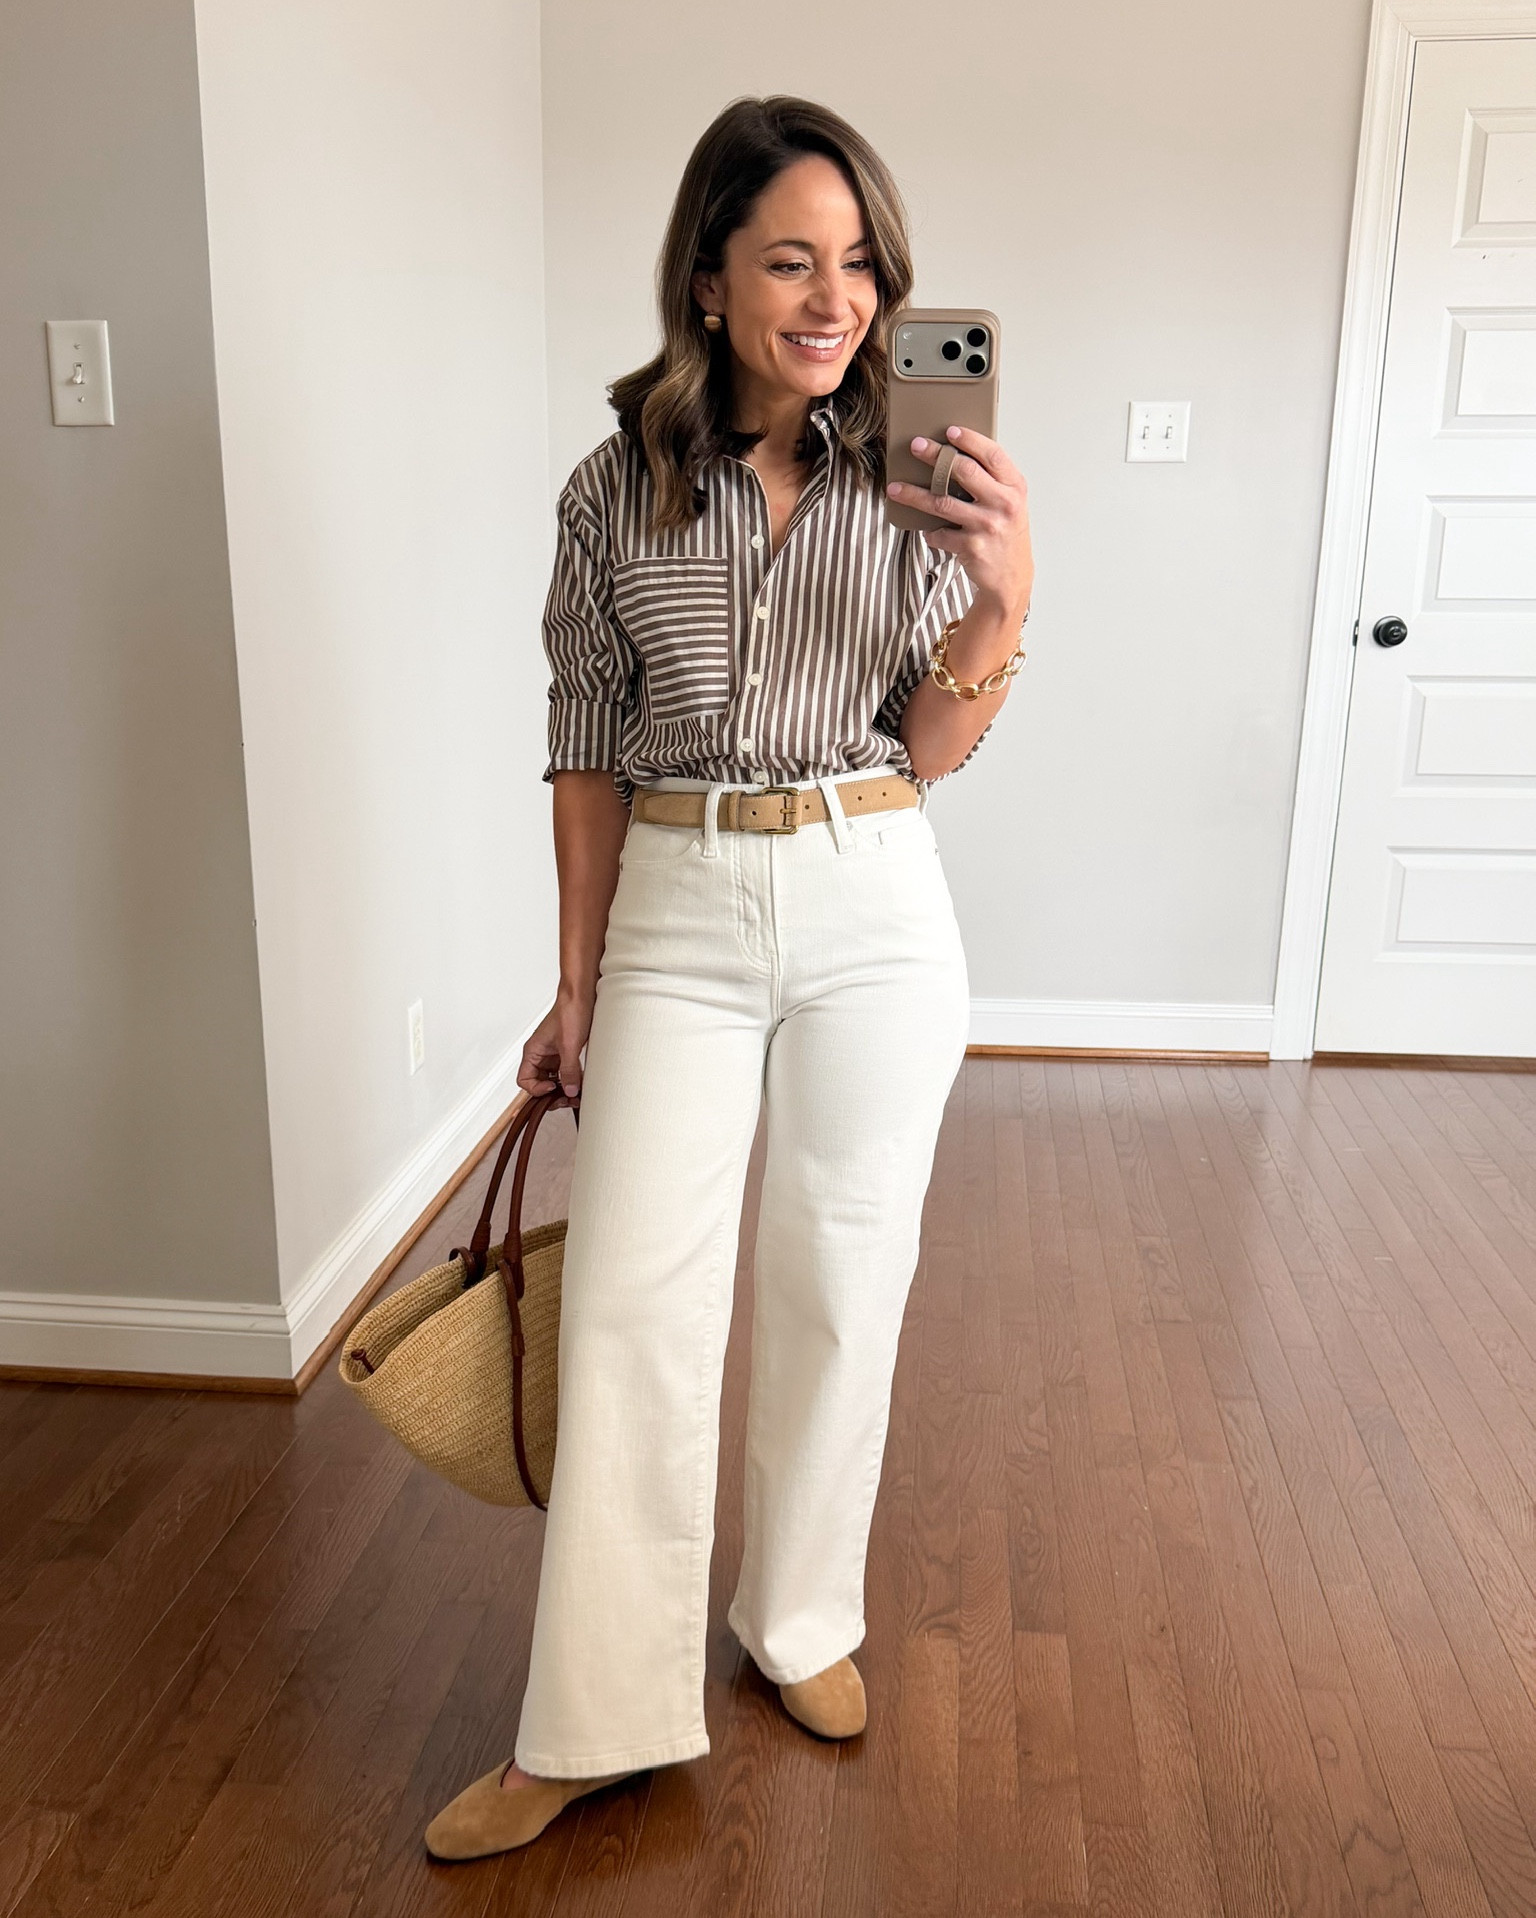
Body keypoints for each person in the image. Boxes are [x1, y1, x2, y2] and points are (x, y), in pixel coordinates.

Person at [425, 92, 1033, 1862]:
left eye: (858, 264)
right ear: (708, 278)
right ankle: (592, 1718)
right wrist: (576, 985)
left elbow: (929, 747)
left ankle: (800, 1623)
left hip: (870, 884)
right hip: (679, 898)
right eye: (791, 259)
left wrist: (999, 602)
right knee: (630, 1301)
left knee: (846, 1273)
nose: (833, 298)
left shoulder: (920, 476)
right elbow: (587, 746)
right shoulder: (613, 487)